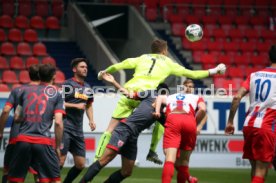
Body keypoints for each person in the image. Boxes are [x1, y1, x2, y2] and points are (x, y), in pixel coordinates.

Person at [94, 39, 226, 161]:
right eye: (167, 50)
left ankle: (96, 159)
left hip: (129, 92)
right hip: (146, 96)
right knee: (161, 118)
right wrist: (214, 71)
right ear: (164, 51)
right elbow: (192, 74)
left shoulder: (142, 58)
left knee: (110, 129)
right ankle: (158, 151)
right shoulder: (168, 63)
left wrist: (104, 72)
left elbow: (121, 65)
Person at [80, 73, 171, 183]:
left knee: (127, 171)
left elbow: (170, 125)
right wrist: (113, 82)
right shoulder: (150, 93)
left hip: (133, 135)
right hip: (125, 128)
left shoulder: (161, 112)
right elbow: (128, 94)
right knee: (105, 159)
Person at [225, 45, 276, 183]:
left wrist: (230, 121)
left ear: (268, 57)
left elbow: (236, 97)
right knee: (261, 170)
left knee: (255, 169)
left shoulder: (254, 75)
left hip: (249, 124)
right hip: (267, 126)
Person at [7, 64, 64, 183]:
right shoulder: (56, 93)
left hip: (23, 140)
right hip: (43, 141)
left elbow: (17, 117)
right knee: (53, 180)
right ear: (54, 76)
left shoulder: (24, 91)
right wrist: (58, 147)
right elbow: (58, 122)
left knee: (15, 179)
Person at [154, 81, 206, 183]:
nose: (188, 88)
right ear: (182, 87)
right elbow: (203, 110)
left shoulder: (172, 96)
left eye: (190, 86)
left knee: (169, 158)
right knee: (183, 161)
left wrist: (156, 111)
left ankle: (187, 178)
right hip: (189, 123)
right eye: (186, 86)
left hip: (173, 121)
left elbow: (159, 97)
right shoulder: (196, 97)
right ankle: (189, 178)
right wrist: (194, 124)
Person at [0, 64, 40, 183]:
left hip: (16, 137)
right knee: (38, 174)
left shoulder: (17, 90)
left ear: (29, 75)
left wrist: (0, 131)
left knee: (8, 171)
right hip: (37, 136)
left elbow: (6, 110)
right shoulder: (46, 92)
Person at [59, 58, 96, 183]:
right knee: (60, 160)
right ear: (74, 69)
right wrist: (75, 106)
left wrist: (91, 120)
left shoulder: (88, 87)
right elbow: (59, 103)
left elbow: (89, 105)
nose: (85, 69)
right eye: (82, 67)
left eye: (86, 67)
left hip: (78, 130)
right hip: (65, 127)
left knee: (80, 164)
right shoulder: (67, 85)